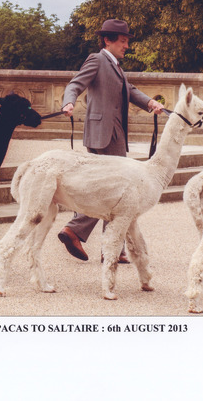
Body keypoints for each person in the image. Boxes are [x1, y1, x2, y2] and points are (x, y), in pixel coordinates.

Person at [57, 18, 164, 262]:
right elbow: (75, 84)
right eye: (123, 41)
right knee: (113, 190)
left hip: (113, 134)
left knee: (112, 188)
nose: (127, 46)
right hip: (103, 134)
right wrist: (68, 101)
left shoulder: (115, 65)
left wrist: (150, 103)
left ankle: (112, 249)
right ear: (108, 40)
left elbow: (131, 90)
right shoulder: (97, 59)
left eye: (127, 41)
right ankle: (75, 231)